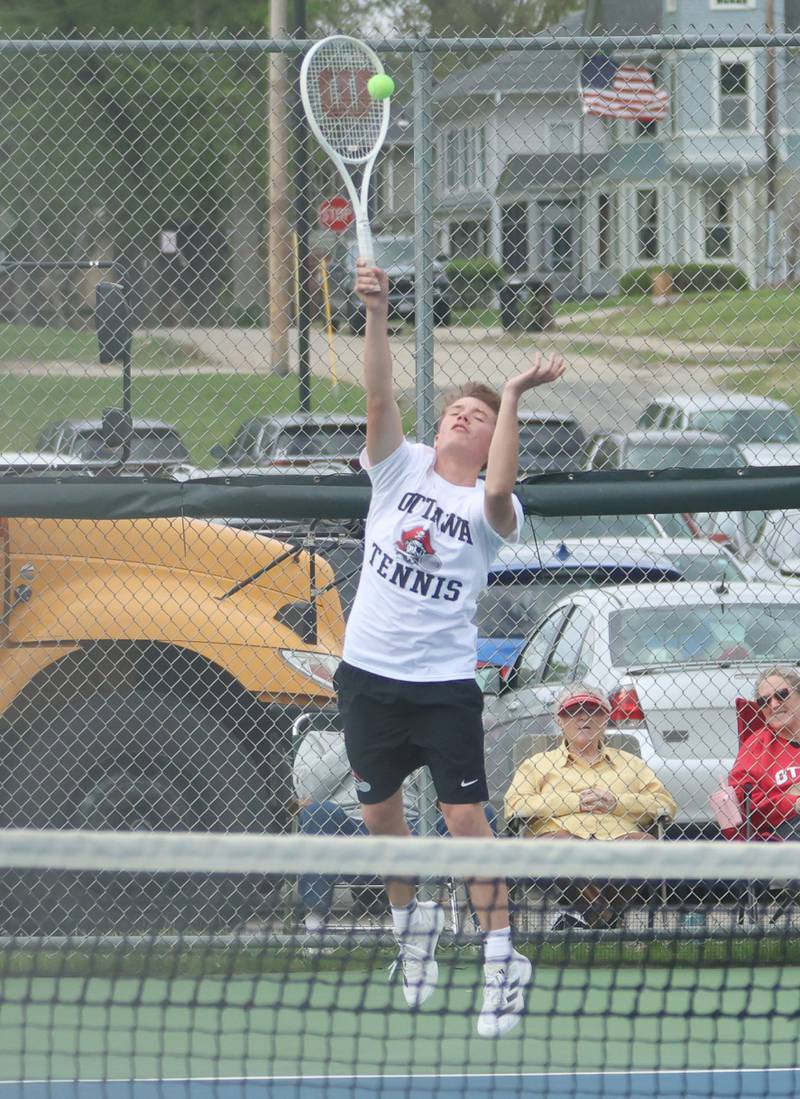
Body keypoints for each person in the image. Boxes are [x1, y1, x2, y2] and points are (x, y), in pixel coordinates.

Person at [334, 257, 565, 1038]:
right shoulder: (397, 472)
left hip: (440, 685)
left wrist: (514, 397)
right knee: (380, 820)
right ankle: (413, 932)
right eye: (455, 410)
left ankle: (503, 961)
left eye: (477, 413)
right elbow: (376, 398)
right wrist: (375, 313)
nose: (461, 416)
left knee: (466, 814)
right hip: (367, 677)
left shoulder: (488, 508)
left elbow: (500, 486)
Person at [504, 683, 677, 930]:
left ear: (606, 719)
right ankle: (606, 921)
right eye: (573, 711)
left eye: (593, 711)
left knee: (644, 846)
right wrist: (573, 801)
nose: (584, 717)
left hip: (619, 840)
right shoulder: (537, 764)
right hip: (560, 841)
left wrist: (616, 803)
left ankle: (589, 918)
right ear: (560, 721)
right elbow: (514, 806)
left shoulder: (631, 763)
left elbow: (665, 805)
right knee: (563, 847)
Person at [292, 720, 421, 930]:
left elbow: (437, 790)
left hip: (411, 827)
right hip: (347, 828)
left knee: (481, 815)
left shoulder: (410, 736)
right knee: (318, 813)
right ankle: (314, 931)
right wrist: (357, 740)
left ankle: (490, 933)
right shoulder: (318, 738)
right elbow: (308, 790)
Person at [728, 667, 800, 841]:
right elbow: (742, 804)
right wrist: (791, 802)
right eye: (764, 701)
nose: (774, 705)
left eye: (782, 695)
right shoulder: (756, 746)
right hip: (787, 829)